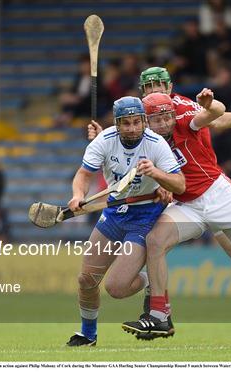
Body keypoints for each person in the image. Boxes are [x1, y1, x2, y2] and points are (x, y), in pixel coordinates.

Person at [89, 66, 231, 343]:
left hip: (209, 191)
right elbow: (122, 143)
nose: (155, 91)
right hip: (180, 197)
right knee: (156, 243)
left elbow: (213, 118)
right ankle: (158, 310)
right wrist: (100, 140)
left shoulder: (180, 106)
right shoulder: (143, 117)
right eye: (149, 87)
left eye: (159, 86)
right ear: (143, 92)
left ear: (170, 87)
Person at [65, 96, 186, 347]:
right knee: (86, 280)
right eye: (126, 123)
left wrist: (157, 174)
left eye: (136, 122)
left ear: (143, 121)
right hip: (114, 213)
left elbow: (180, 183)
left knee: (117, 288)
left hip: (144, 217)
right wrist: (78, 195)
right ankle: (88, 334)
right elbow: (84, 174)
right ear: (117, 124)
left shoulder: (156, 144)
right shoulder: (105, 140)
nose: (132, 128)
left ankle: (149, 280)